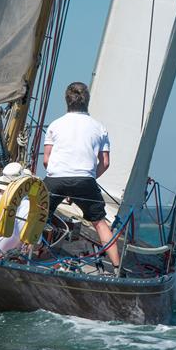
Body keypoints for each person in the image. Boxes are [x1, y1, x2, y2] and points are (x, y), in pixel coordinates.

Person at [43, 81, 119, 269]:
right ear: (87, 100)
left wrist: (64, 183)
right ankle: (117, 267)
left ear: (66, 100)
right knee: (100, 223)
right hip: (85, 180)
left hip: (55, 179)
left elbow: (46, 160)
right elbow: (106, 162)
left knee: (37, 217)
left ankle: (25, 253)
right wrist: (87, 179)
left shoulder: (55, 125)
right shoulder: (99, 127)